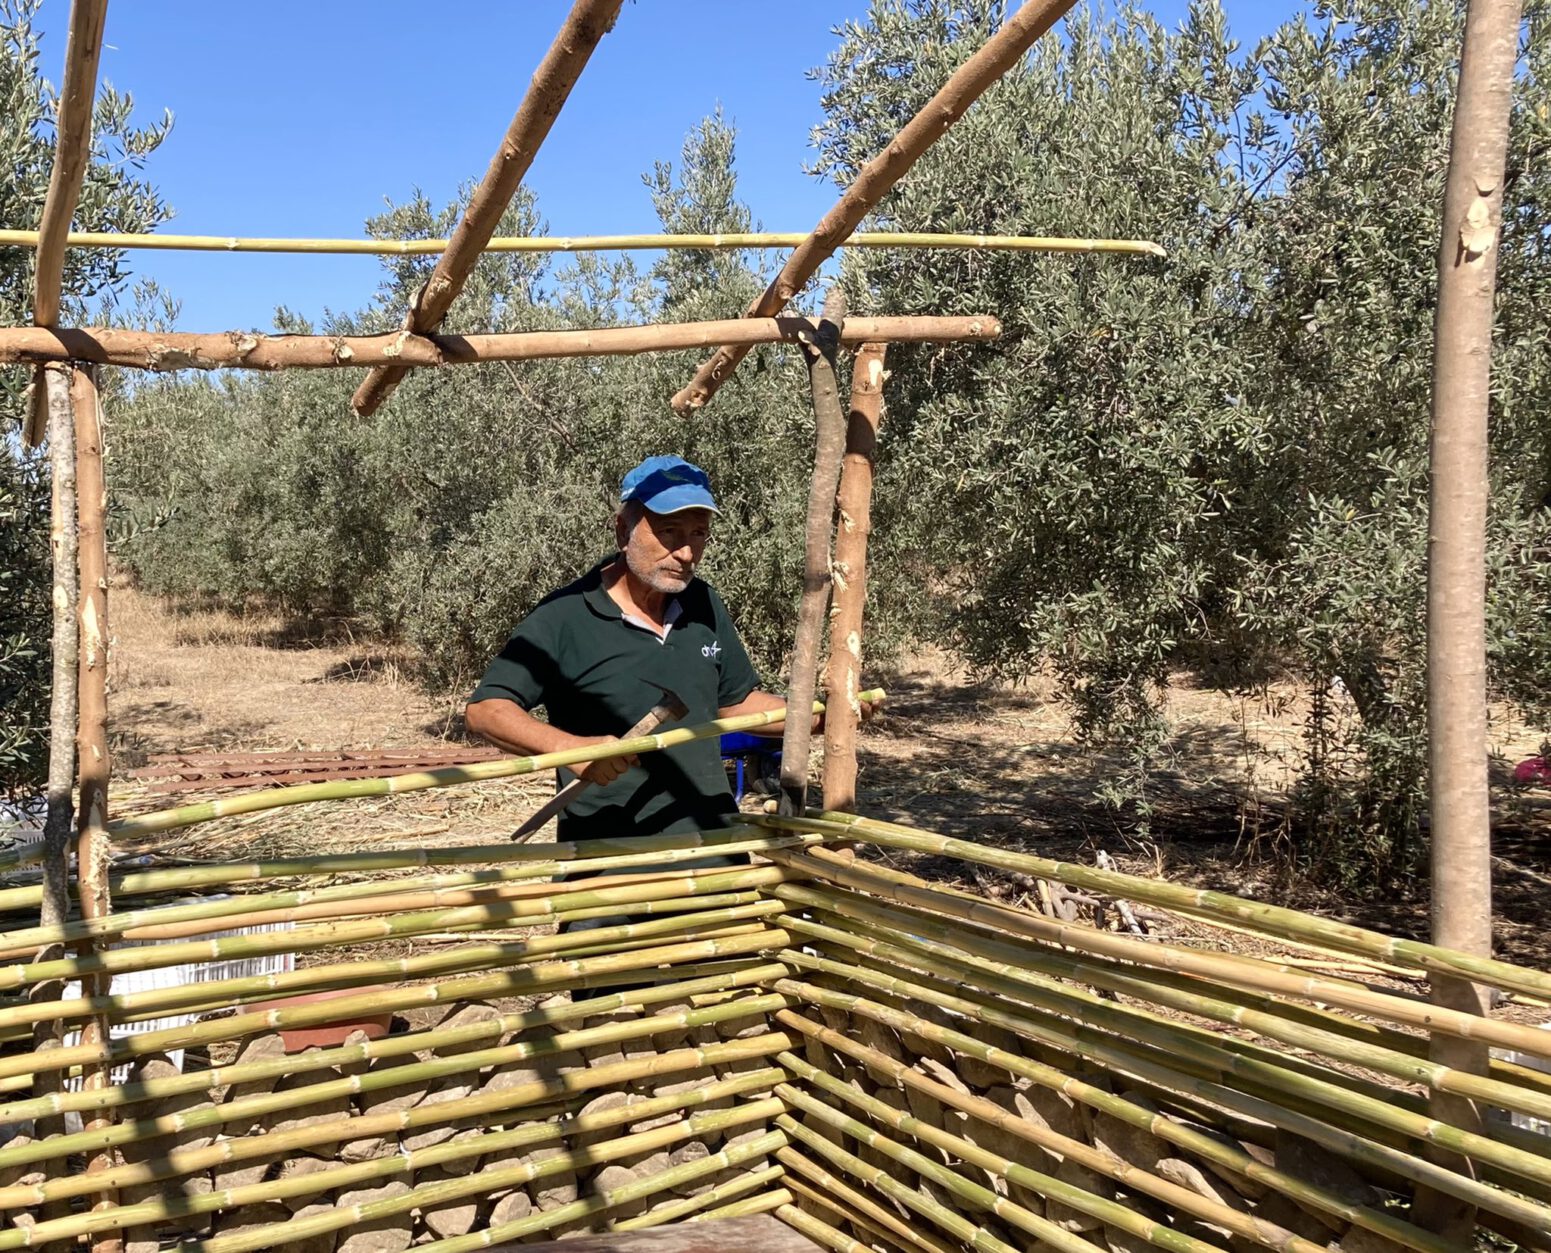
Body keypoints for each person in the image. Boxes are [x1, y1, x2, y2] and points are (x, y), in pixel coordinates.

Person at [465, 454, 795, 848]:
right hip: (610, 865)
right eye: (670, 532)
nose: (687, 553)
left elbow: (734, 703)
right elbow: (485, 711)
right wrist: (568, 748)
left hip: (713, 849)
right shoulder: (565, 616)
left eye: (699, 534)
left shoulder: (704, 603)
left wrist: (818, 713)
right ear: (623, 531)